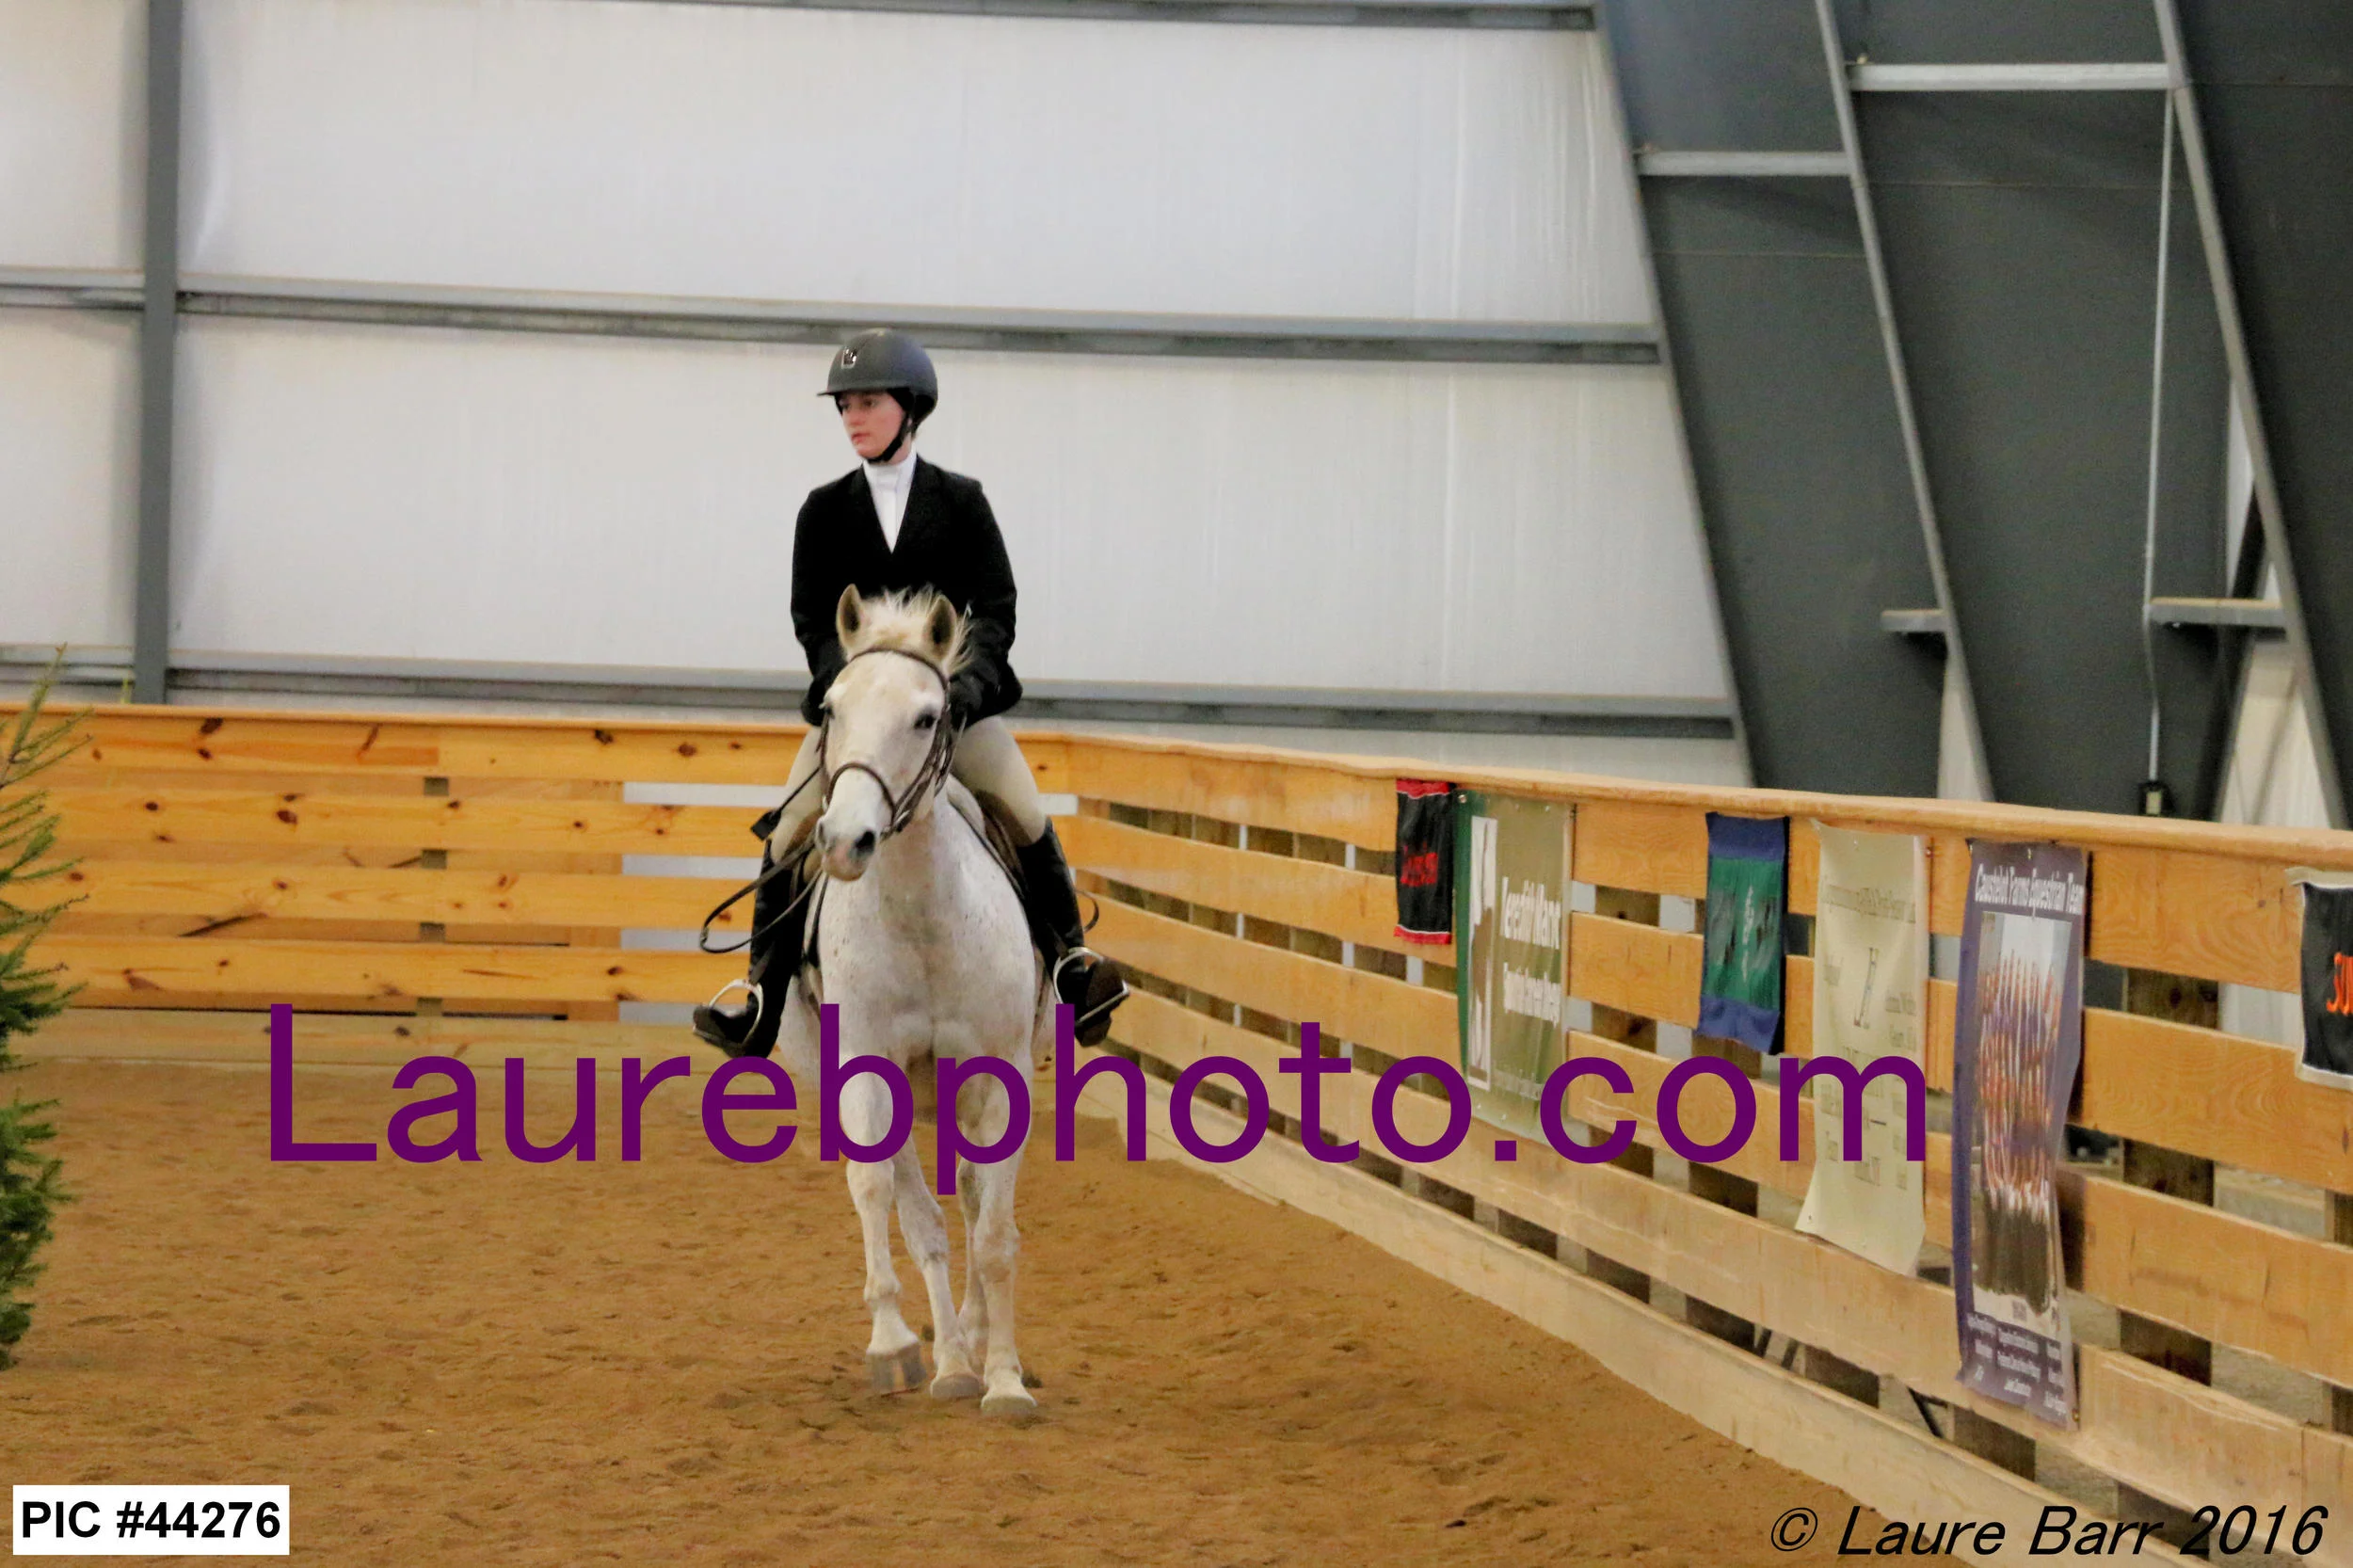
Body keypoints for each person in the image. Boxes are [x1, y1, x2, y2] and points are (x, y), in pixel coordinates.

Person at [692, 328, 1128, 1060]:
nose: (853, 418)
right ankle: (760, 996)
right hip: (860, 720)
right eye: (845, 406)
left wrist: (967, 689)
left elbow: (996, 607)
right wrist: (844, 688)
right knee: (792, 828)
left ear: (910, 408)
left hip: (952, 715)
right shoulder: (823, 511)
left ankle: (1073, 969)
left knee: (1024, 814)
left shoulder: (962, 502)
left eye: (868, 403)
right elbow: (812, 619)